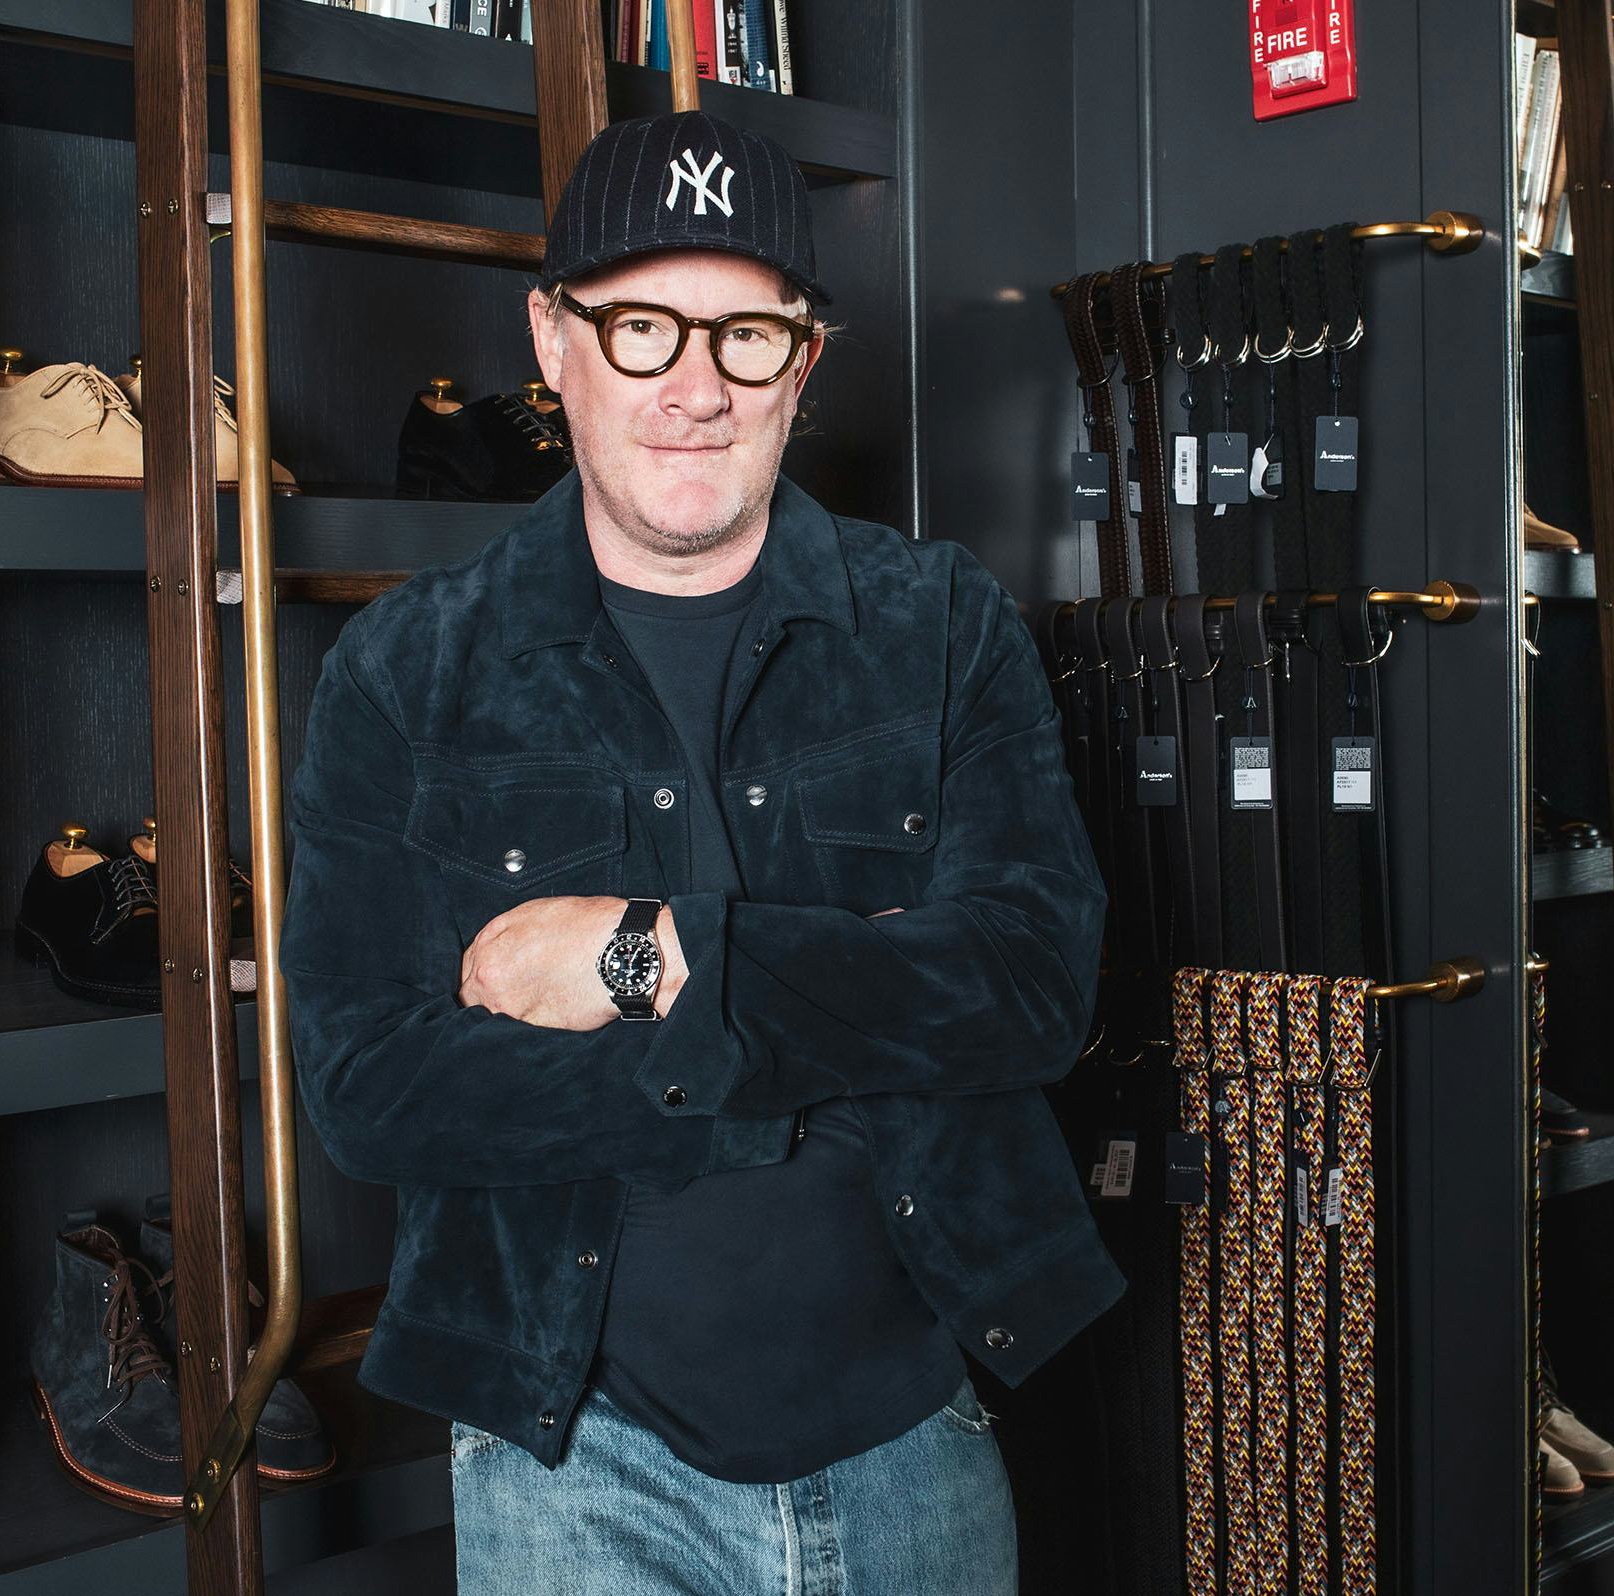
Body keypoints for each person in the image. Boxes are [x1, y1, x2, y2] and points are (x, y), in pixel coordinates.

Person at [280, 109, 1120, 1596]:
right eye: (643, 327)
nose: (692, 389)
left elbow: (1031, 987)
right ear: (552, 341)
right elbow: (373, 1090)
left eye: (745, 337)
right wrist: (780, 1069)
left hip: (914, 1431)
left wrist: (653, 956)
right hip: (576, 1463)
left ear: (805, 356)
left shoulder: (941, 626)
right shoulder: (407, 672)